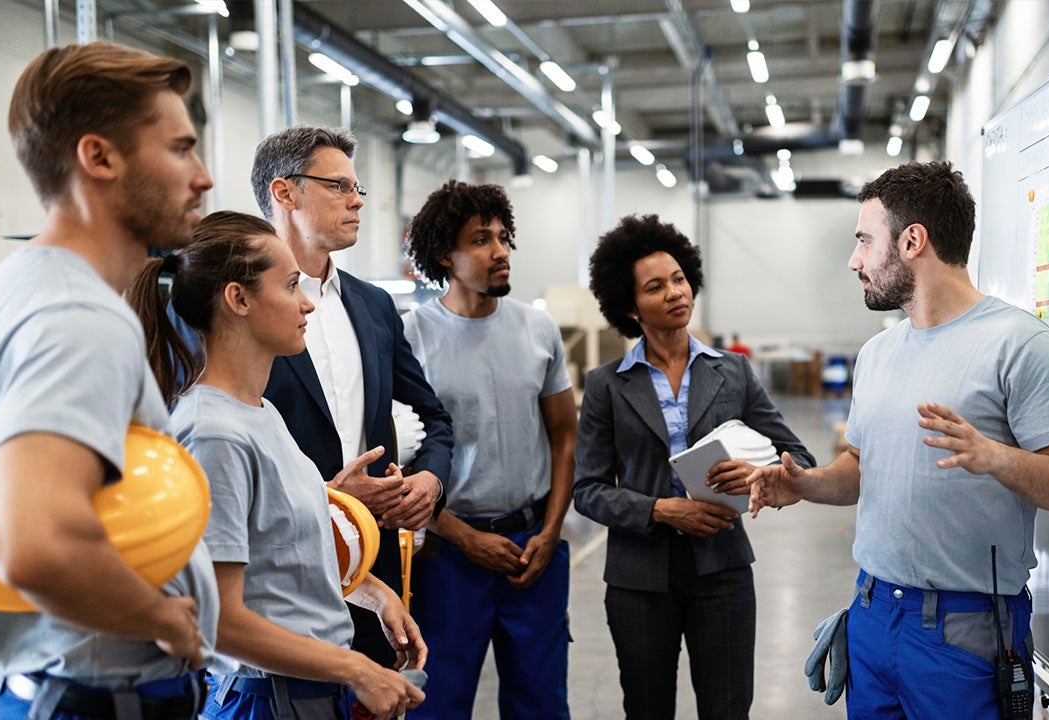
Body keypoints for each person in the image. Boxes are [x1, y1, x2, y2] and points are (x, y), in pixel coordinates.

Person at [747, 161, 1049, 720]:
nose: (854, 260)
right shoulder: (879, 353)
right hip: (870, 613)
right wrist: (806, 484)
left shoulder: (1018, 346)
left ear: (912, 241)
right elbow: (861, 466)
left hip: (967, 631)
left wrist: (997, 458)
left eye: (865, 240)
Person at [0, 43, 217, 719]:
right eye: (180, 149)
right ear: (99, 157)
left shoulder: (21, 285)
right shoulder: (80, 317)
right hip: (90, 697)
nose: (203, 176)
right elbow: (35, 544)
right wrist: (164, 618)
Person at [130, 211, 427, 719]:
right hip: (266, 698)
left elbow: (284, 555)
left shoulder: (260, 412)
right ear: (238, 299)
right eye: (291, 286)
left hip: (305, 691)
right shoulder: (213, 434)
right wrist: (356, 669)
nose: (307, 302)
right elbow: (217, 618)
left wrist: (374, 594)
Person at [573, 214, 815, 720]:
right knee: (647, 707)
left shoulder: (733, 372)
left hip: (722, 569)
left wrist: (759, 475)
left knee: (728, 709)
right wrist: (661, 509)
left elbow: (799, 458)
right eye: (655, 287)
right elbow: (589, 489)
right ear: (630, 306)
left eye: (679, 279)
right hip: (639, 577)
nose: (675, 293)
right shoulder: (606, 385)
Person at [249, 126, 454, 668]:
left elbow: (435, 417)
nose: (358, 199)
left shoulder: (374, 307)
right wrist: (326, 495)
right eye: (338, 186)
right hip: (278, 568)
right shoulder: (240, 307)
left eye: (356, 186)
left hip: (374, 559)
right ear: (284, 192)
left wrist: (429, 479)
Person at [401, 180, 576, 719]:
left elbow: (564, 435)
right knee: (438, 702)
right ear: (443, 256)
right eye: (480, 240)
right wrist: (462, 536)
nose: (500, 251)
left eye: (502, 237)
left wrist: (549, 533)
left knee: (541, 704)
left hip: (533, 550)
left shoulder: (537, 329)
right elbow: (400, 456)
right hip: (448, 555)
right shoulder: (410, 337)